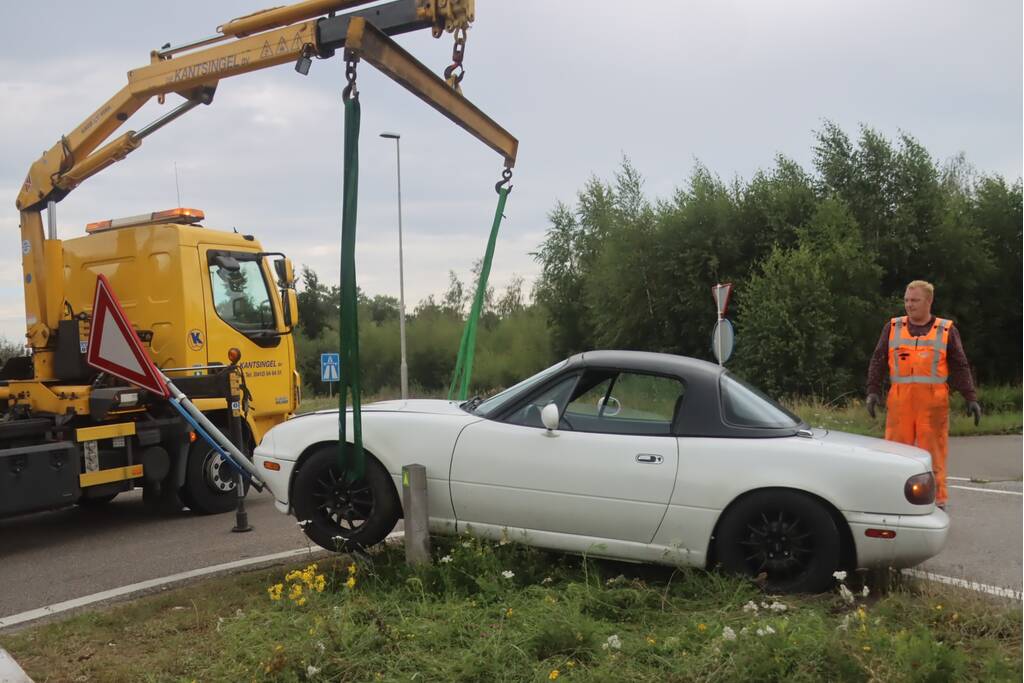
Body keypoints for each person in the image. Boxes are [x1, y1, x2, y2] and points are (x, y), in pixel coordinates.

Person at [865, 280, 981, 511]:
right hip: (900, 400)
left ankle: (937, 502)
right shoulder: (893, 327)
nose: (909, 305)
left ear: (929, 301)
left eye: (915, 300)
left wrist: (970, 397)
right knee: (896, 454)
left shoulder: (946, 330)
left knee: (933, 453)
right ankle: (894, 500)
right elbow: (878, 359)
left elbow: (960, 365)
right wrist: (873, 391)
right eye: (907, 300)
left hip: (933, 403)